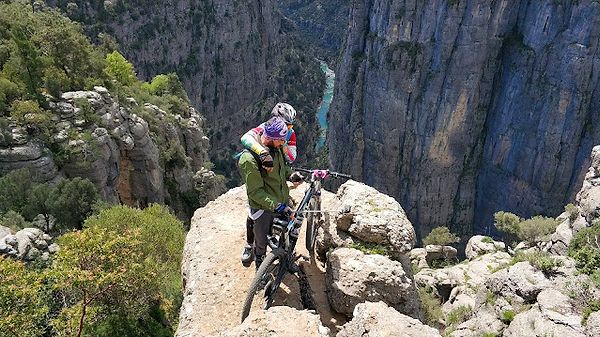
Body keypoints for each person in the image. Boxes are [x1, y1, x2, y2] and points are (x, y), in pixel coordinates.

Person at [238, 117, 303, 269]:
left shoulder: (277, 146)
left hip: (280, 200)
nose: (283, 144)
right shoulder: (249, 160)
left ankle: (285, 260)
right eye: (281, 141)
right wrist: (279, 206)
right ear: (269, 137)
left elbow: (282, 168)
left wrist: (291, 175)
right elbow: (255, 193)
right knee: (260, 244)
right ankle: (260, 269)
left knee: (288, 232)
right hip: (263, 209)